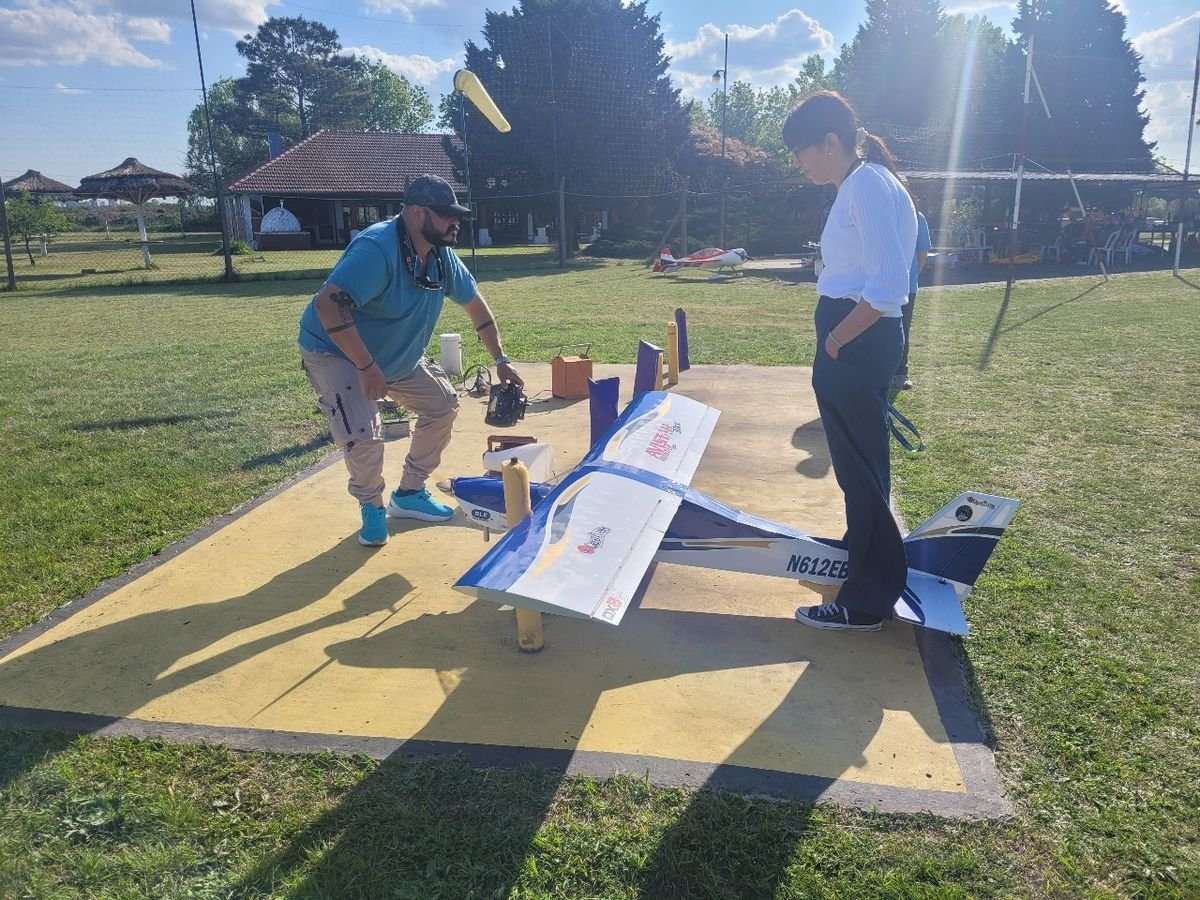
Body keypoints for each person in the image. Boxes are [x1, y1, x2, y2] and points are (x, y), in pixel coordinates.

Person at [298, 174, 523, 547]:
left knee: (442, 406)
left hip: (394, 356)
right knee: (365, 436)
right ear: (417, 213)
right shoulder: (377, 249)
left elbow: (475, 306)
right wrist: (368, 368)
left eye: (457, 216)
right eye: (446, 215)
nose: (456, 223)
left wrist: (500, 359)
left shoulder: (442, 257)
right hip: (335, 350)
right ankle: (372, 508)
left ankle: (409, 494)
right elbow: (327, 306)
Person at [782, 91, 917, 632]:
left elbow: (887, 287)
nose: (800, 163)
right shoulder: (866, 183)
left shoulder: (866, 185)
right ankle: (862, 554)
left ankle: (866, 600)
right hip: (855, 338)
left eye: (801, 151)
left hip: (857, 339)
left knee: (860, 468)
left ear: (830, 142)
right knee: (857, 465)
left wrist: (837, 340)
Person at [892, 201, 931, 391]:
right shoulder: (882, 213)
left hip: (907, 286)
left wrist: (913, 275)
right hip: (879, 284)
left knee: (902, 329)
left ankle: (900, 372)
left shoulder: (918, 216)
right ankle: (879, 371)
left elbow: (923, 251)